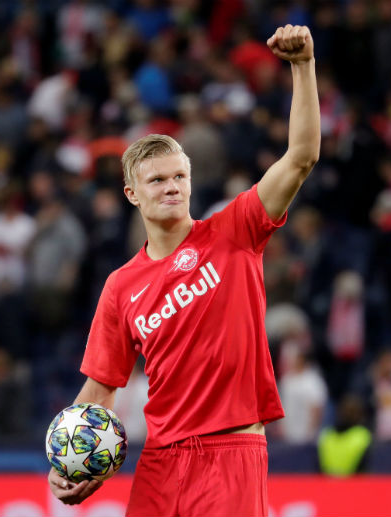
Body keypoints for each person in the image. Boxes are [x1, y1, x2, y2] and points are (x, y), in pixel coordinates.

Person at [48, 24, 320, 517]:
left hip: (231, 452)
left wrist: (302, 66)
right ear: (132, 194)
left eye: (179, 176)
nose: (171, 187)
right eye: (157, 180)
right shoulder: (121, 286)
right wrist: (70, 462)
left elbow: (301, 158)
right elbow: (99, 390)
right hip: (160, 462)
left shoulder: (235, 230)